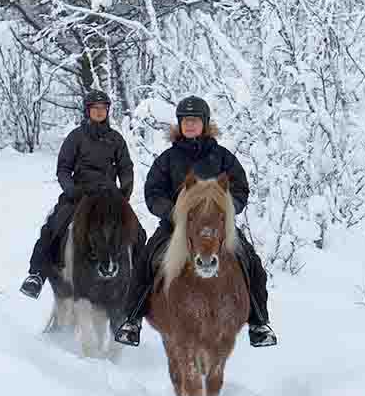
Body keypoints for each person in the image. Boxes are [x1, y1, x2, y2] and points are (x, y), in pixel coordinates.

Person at [112, 94, 277, 348]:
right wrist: (172, 212)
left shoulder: (222, 157)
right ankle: (132, 321)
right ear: (179, 124)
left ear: (205, 123)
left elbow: (240, 188)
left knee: (250, 261)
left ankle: (259, 324)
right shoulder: (167, 159)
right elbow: (153, 192)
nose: (189, 125)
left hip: (217, 228)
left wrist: (226, 210)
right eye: (185, 121)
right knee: (147, 260)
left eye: (195, 120)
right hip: (176, 227)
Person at [20, 88, 136, 298]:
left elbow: (126, 167)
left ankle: (140, 280)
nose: (99, 112)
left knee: (137, 231)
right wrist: (71, 190)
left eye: (103, 108)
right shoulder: (76, 137)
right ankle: (36, 275)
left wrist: (124, 193)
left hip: (109, 197)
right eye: (95, 108)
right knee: (54, 226)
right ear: (87, 111)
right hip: (80, 194)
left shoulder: (116, 139)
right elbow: (63, 169)